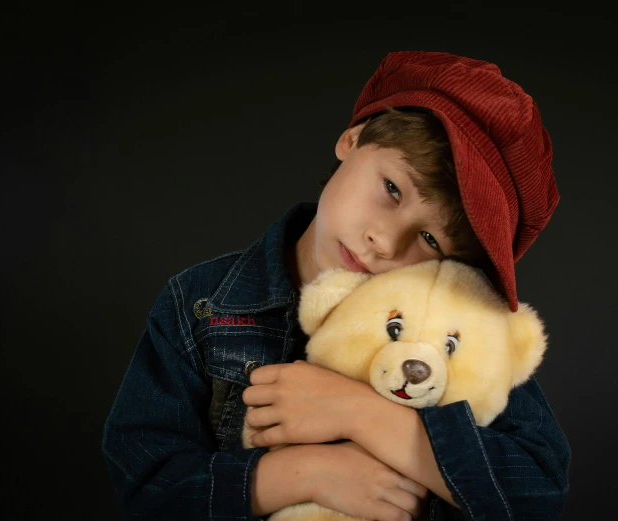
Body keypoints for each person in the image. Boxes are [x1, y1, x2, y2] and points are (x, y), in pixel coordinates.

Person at [102, 51, 571, 520]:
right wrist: (308, 471)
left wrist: (362, 414)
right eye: (391, 189)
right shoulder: (201, 305)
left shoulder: (456, 324)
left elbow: (538, 492)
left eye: (430, 238)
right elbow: (149, 487)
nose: (384, 242)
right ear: (353, 138)